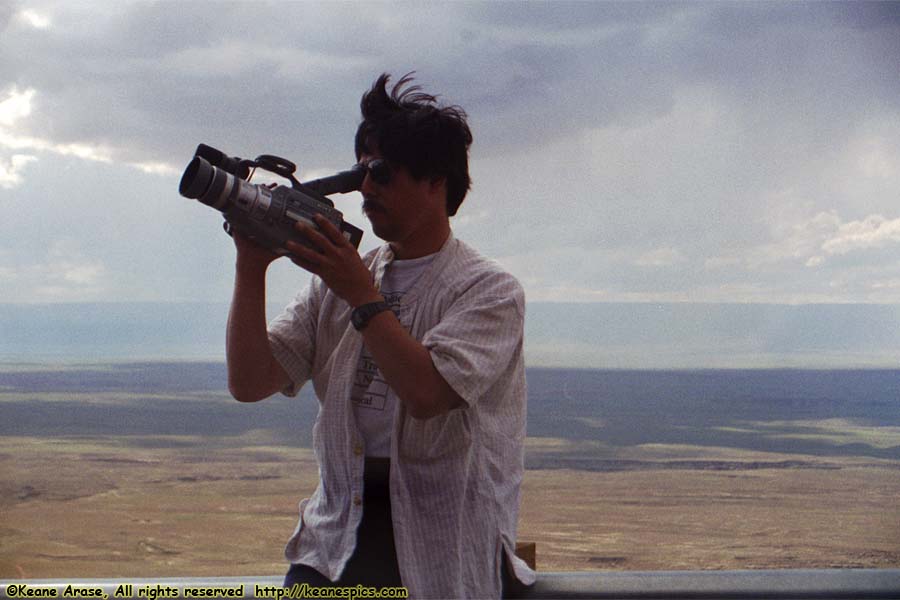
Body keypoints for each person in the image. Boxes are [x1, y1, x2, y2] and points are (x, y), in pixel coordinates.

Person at [225, 72, 535, 598]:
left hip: (443, 549)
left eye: (383, 174)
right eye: (361, 172)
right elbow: (251, 381)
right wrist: (251, 265)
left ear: (436, 182)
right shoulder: (342, 277)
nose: (365, 188)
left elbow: (428, 394)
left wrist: (360, 293)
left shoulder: (490, 291)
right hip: (335, 543)